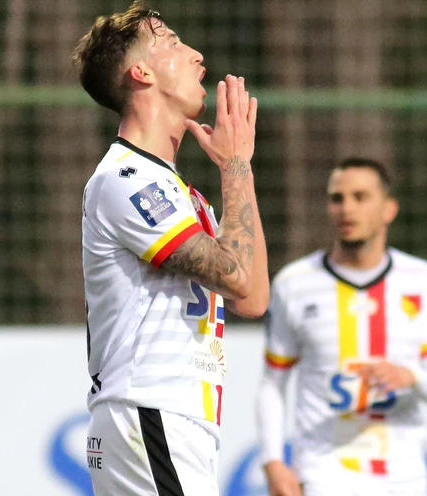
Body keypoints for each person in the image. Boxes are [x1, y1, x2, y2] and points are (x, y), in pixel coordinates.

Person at [73, 2, 269, 494]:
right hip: (150, 413)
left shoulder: (182, 194)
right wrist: (235, 167)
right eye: (174, 43)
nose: (196, 54)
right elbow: (235, 275)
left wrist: (238, 167)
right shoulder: (128, 179)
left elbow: (252, 297)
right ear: (140, 73)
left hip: (172, 422)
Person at [256, 158, 427, 496]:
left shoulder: (421, 279)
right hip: (324, 471)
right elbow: (272, 384)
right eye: (337, 198)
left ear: (389, 209)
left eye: (360, 197)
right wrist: (272, 461)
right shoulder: (295, 282)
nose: (346, 208)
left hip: (402, 476)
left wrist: (410, 377)